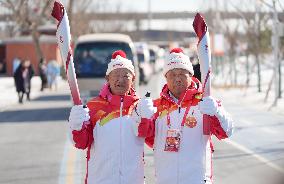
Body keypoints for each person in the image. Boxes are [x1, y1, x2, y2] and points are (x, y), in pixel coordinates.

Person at [145, 48, 234, 184]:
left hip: (197, 179)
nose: (177, 79)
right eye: (172, 74)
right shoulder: (155, 107)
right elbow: (148, 139)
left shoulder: (205, 102)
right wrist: (140, 117)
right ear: (166, 77)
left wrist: (217, 112)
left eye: (182, 74)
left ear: (190, 75)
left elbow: (226, 131)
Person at [68, 50, 156, 184]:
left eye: (126, 76)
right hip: (100, 180)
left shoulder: (139, 106)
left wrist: (148, 118)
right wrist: (76, 125)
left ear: (133, 79)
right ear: (108, 78)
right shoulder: (94, 107)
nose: (120, 80)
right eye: (116, 75)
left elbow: (152, 140)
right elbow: (81, 143)